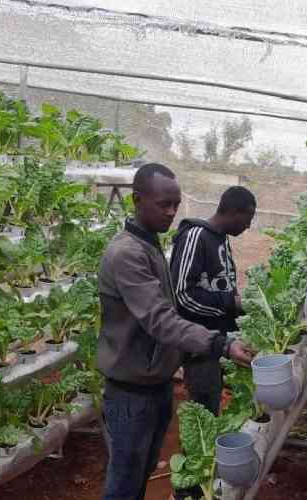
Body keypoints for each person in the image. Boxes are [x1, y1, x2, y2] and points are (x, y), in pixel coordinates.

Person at [97, 163, 254, 500]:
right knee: (124, 482)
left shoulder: (150, 245)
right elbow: (161, 320)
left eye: (175, 205)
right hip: (130, 392)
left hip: (155, 385)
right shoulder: (127, 253)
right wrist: (220, 344)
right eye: (163, 204)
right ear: (137, 200)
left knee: (140, 473)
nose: (171, 212)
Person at [169, 186, 256, 416]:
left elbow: (219, 285)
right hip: (199, 344)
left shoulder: (220, 240)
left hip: (219, 342)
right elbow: (182, 295)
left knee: (213, 401)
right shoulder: (195, 236)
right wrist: (232, 302)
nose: (248, 226)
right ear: (234, 211)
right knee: (203, 412)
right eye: (248, 218)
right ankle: (198, 452)